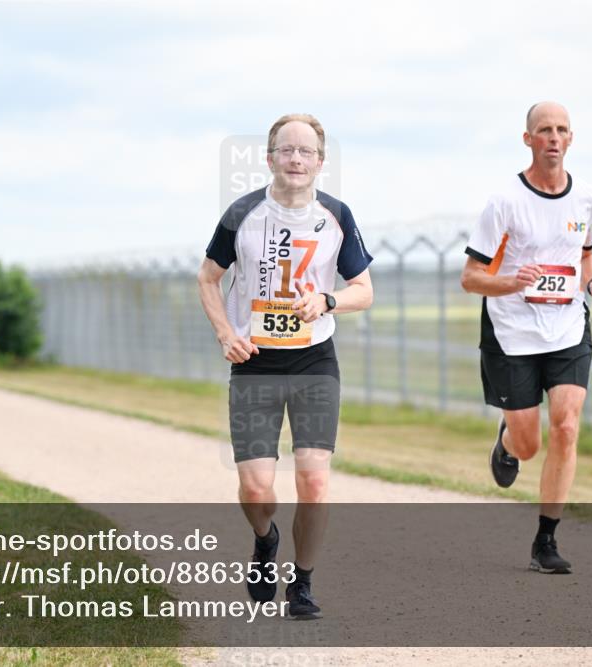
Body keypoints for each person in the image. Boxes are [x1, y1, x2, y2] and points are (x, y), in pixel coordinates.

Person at [197, 114, 374, 619]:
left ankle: (304, 582)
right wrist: (226, 334)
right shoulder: (243, 213)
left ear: (321, 161)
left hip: (315, 361)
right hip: (254, 364)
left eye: (306, 151)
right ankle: (264, 540)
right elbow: (208, 278)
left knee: (314, 479)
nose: (296, 159)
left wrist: (327, 300)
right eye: (286, 150)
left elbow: (364, 290)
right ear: (269, 157)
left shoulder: (336, 215)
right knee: (257, 488)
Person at [460, 101, 592, 574]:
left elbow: (585, 256)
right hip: (512, 334)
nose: (553, 137)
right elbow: (470, 278)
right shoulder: (504, 203)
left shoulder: (589, 199)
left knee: (567, 426)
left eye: (562, 129)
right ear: (528, 139)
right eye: (544, 129)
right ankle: (508, 441)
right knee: (529, 445)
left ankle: (545, 540)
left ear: (571, 139)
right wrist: (511, 282)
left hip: (568, 328)